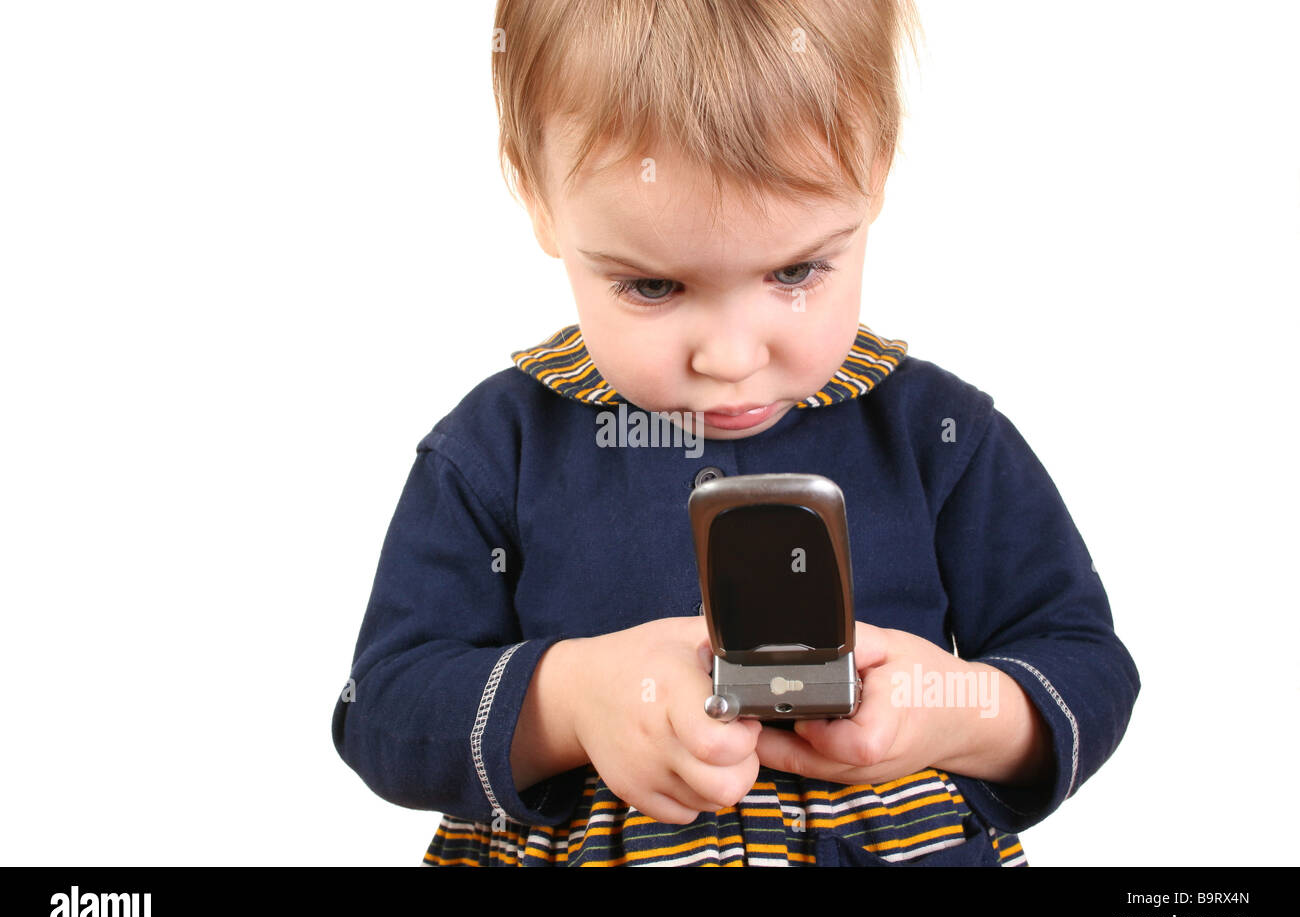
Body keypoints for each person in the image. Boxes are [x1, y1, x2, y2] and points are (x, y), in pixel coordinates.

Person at [331, 0, 1140, 866]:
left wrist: (959, 710)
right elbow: (382, 709)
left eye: (795, 271)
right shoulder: (497, 448)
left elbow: (1085, 664)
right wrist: (569, 703)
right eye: (652, 287)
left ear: (875, 173)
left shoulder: (942, 438)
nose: (730, 355)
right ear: (538, 197)